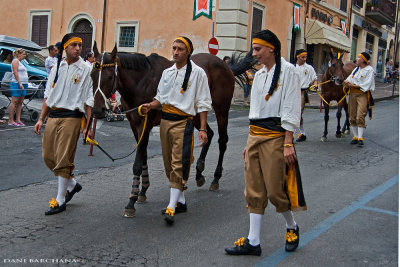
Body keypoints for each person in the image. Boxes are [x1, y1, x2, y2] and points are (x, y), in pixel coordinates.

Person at [224, 29, 306, 256]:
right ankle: (253, 241)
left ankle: (291, 225)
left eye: (258, 49)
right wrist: (249, 142)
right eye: (254, 49)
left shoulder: (289, 71)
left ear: (271, 48)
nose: (254, 53)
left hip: (276, 137)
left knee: (275, 190)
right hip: (256, 136)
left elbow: (291, 107)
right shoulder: (259, 75)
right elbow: (255, 111)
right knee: (253, 190)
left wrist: (288, 142)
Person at [140, 36, 212, 225]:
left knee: (179, 163)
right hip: (165, 121)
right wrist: (150, 105)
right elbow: (160, 98)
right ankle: (180, 201)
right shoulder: (167, 73)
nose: (175, 52)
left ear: (188, 52)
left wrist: (202, 128)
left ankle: (171, 207)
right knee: (168, 164)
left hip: (184, 122)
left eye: (180, 49)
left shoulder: (198, 73)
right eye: (174, 48)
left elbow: (203, 103)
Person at [34, 33, 94, 215]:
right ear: (65, 48)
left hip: (72, 116)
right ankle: (72, 184)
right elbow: (47, 96)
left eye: (80, 45)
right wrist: (40, 119)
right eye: (74, 45)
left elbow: (89, 101)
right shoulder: (57, 67)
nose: (78, 48)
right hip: (53, 115)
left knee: (63, 157)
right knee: (48, 155)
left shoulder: (86, 69)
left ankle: (60, 199)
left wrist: (88, 127)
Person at [344, 52, 375, 146]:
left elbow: (367, 83)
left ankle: (361, 138)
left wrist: (354, 85)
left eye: (358, 57)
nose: (356, 59)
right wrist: (346, 82)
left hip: (362, 94)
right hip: (352, 94)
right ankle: (355, 137)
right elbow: (350, 78)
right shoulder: (356, 69)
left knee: (360, 115)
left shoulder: (369, 70)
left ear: (363, 60)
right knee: (352, 116)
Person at [294, 49, 317, 142]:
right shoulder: (292, 67)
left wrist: (315, 84)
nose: (305, 59)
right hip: (292, 93)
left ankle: (292, 134)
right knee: (293, 114)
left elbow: (314, 78)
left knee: (298, 113)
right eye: (303, 57)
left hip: (302, 93)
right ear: (297, 57)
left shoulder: (309, 68)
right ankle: (302, 133)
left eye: (305, 57)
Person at [8, 48, 28, 126]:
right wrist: (19, 83)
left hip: (24, 83)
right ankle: (10, 120)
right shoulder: (15, 61)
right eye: (23, 54)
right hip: (17, 83)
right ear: (19, 54)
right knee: (14, 101)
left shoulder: (21, 62)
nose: (25, 56)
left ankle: (18, 119)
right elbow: (15, 72)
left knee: (20, 102)